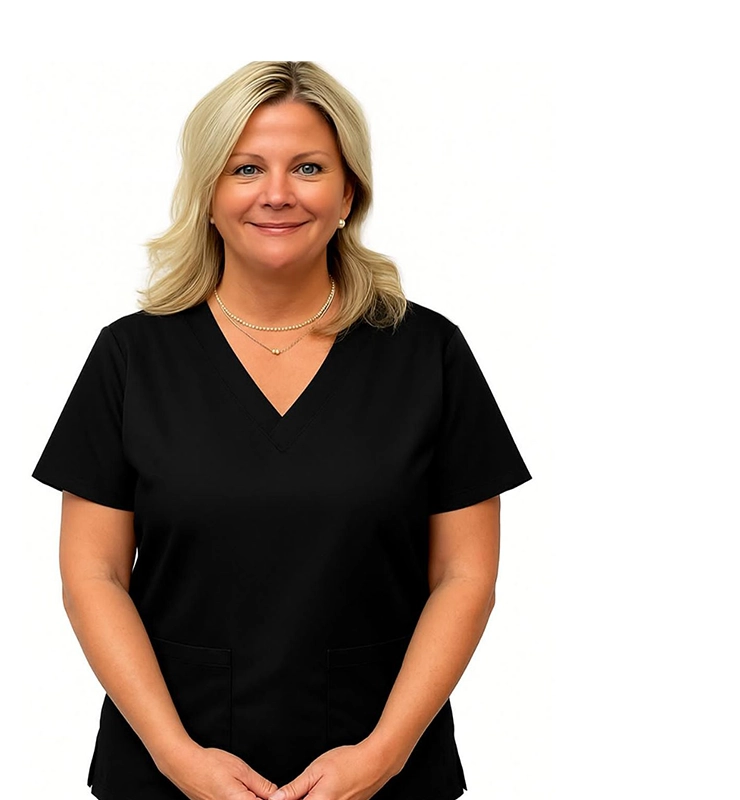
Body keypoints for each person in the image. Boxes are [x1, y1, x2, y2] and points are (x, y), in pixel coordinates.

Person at [32, 60, 532, 800]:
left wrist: (383, 755)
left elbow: (465, 576)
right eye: (245, 168)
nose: (277, 193)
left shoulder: (430, 354)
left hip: (384, 769)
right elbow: (92, 575)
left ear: (348, 193)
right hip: (167, 769)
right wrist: (175, 757)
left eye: (308, 167)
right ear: (207, 194)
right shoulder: (130, 357)